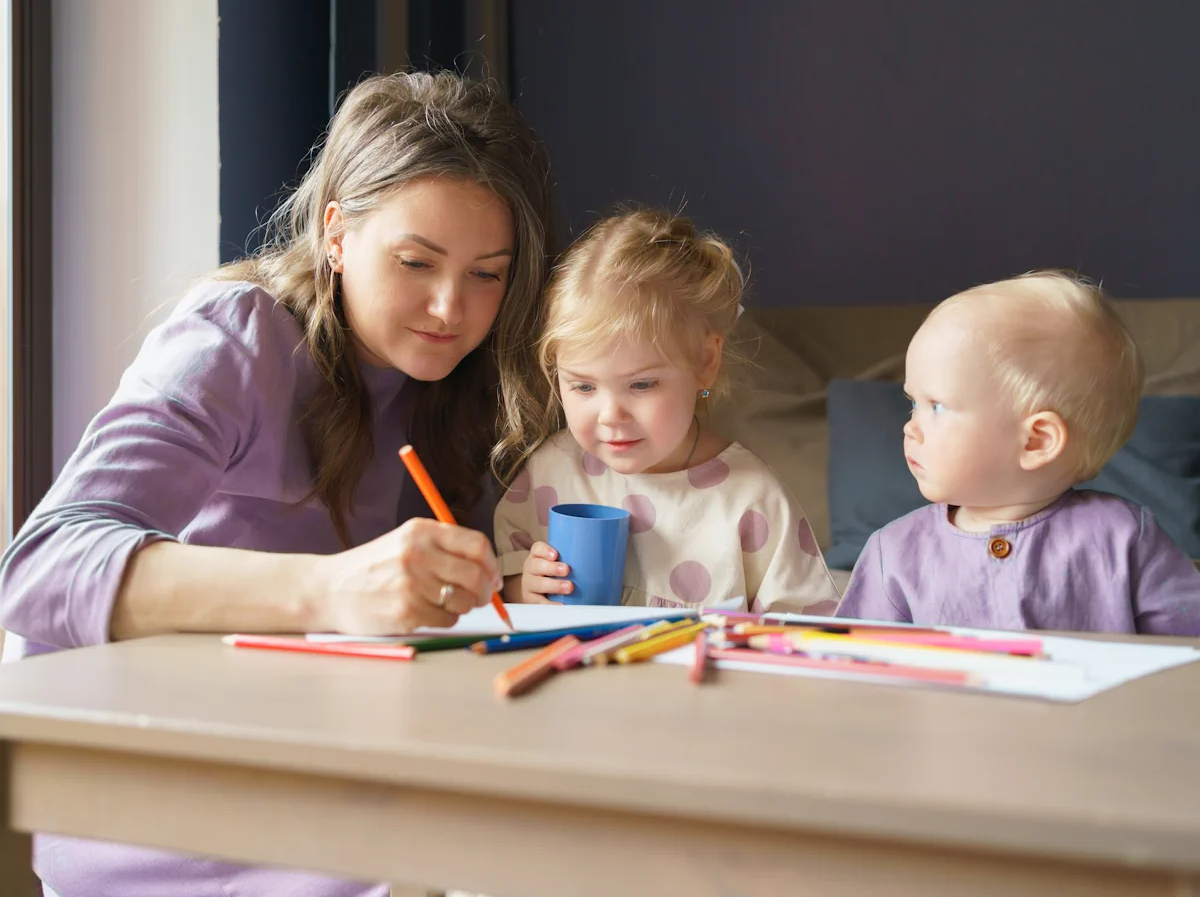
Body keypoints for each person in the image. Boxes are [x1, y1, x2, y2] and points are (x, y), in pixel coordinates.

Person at [0, 71, 558, 897]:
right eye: (416, 262)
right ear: (336, 235)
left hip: (328, 756)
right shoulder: (237, 337)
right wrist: (331, 589)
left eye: (488, 274)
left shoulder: (454, 386)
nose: (451, 308)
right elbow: (41, 568)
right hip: (165, 786)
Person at [493, 208, 839, 615]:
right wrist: (522, 588)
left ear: (705, 362)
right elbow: (501, 587)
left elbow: (803, 630)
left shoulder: (751, 499)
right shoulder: (551, 471)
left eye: (641, 384)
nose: (610, 415)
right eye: (583, 386)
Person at [836, 270, 1200, 633]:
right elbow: (847, 665)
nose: (909, 426)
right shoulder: (895, 553)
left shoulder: (1123, 538)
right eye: (912, 403)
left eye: (938, 406)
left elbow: (1186, 650)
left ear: (1036, 441)